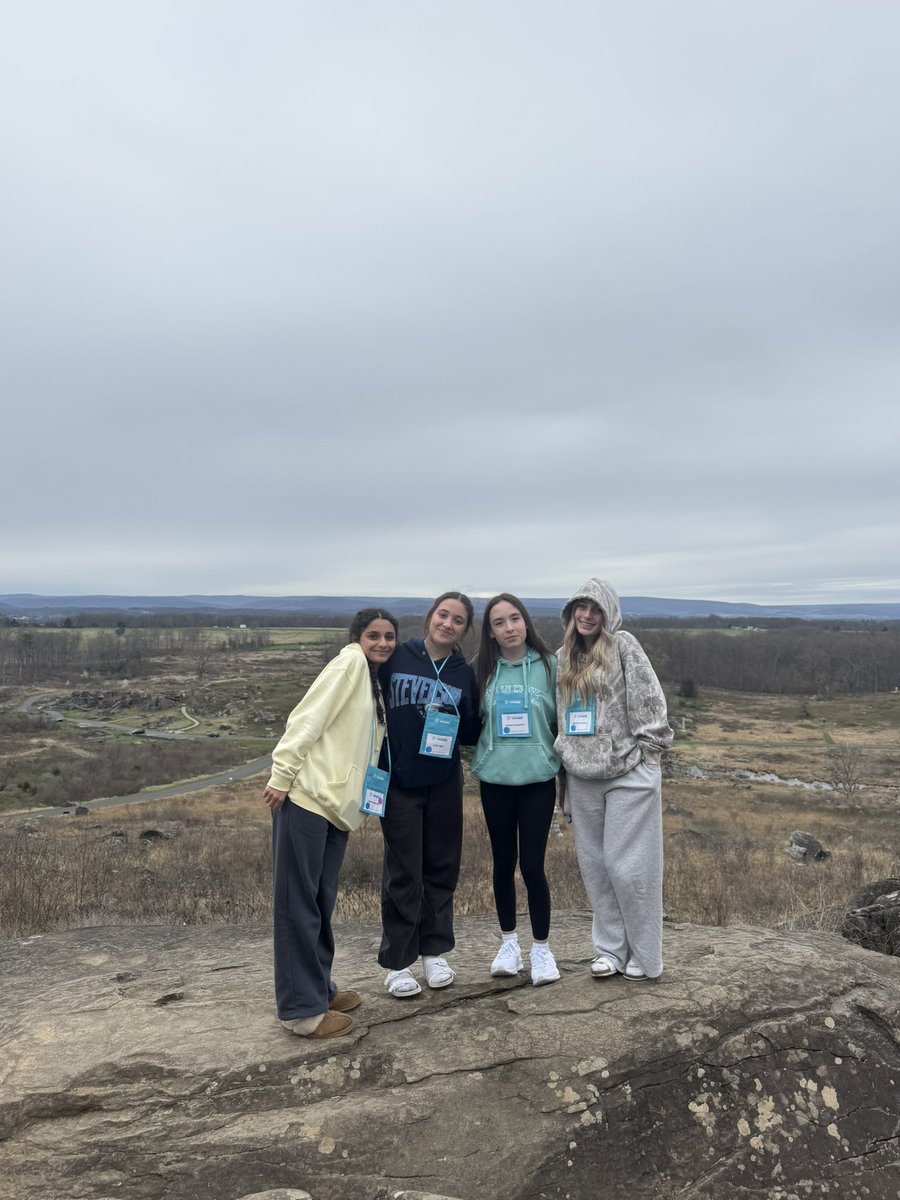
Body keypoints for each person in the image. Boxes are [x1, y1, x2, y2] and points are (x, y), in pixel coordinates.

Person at [263, 607, 399, 1038]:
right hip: (307, 800)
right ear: (357, 637)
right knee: (297, 904)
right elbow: (307, 719)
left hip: (336, 808)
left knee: (319, 903)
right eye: (373, 635)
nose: (382, 643)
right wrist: (282, 776)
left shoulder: (373, 680)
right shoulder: (348, 664)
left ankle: (319, 989)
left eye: (389, 636)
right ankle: (301, 1013)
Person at [555, 578, 673, 982]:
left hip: (627, 772)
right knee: (597, 867)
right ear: (571, 612)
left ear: (609, 613)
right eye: (580, 608)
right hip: (581, 775)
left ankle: (645, 954)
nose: (587, 616)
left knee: (631, 869)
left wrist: (650, 759)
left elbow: (649, 700)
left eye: (595, 608)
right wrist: (563, 782)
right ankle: (609, 950)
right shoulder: (563, 656)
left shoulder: (624, 645)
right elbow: (561, 718)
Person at [377, 591, 481, 997]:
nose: (448, 624)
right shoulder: (397, 656)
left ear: (464, 630)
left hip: (443, 781)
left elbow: (470, 729)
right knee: (403, 871)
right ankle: (398, 963)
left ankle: (434, 952)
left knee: (441, 865)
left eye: (458, 620)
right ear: (430, 616)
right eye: (443, 615)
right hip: (399, 781)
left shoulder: (462, 671)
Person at [471, 593, 562, 986]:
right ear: (489, 632)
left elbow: (566, 725)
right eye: (499, 622)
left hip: (538, 781)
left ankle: (541, 949)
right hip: (495, 782)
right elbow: (468, 724)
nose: (509, 628)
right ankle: (509, 944)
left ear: (526, 622)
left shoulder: (551, 666)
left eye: (514, 619)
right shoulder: (481, 671)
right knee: (502, 865)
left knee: (533, 866)